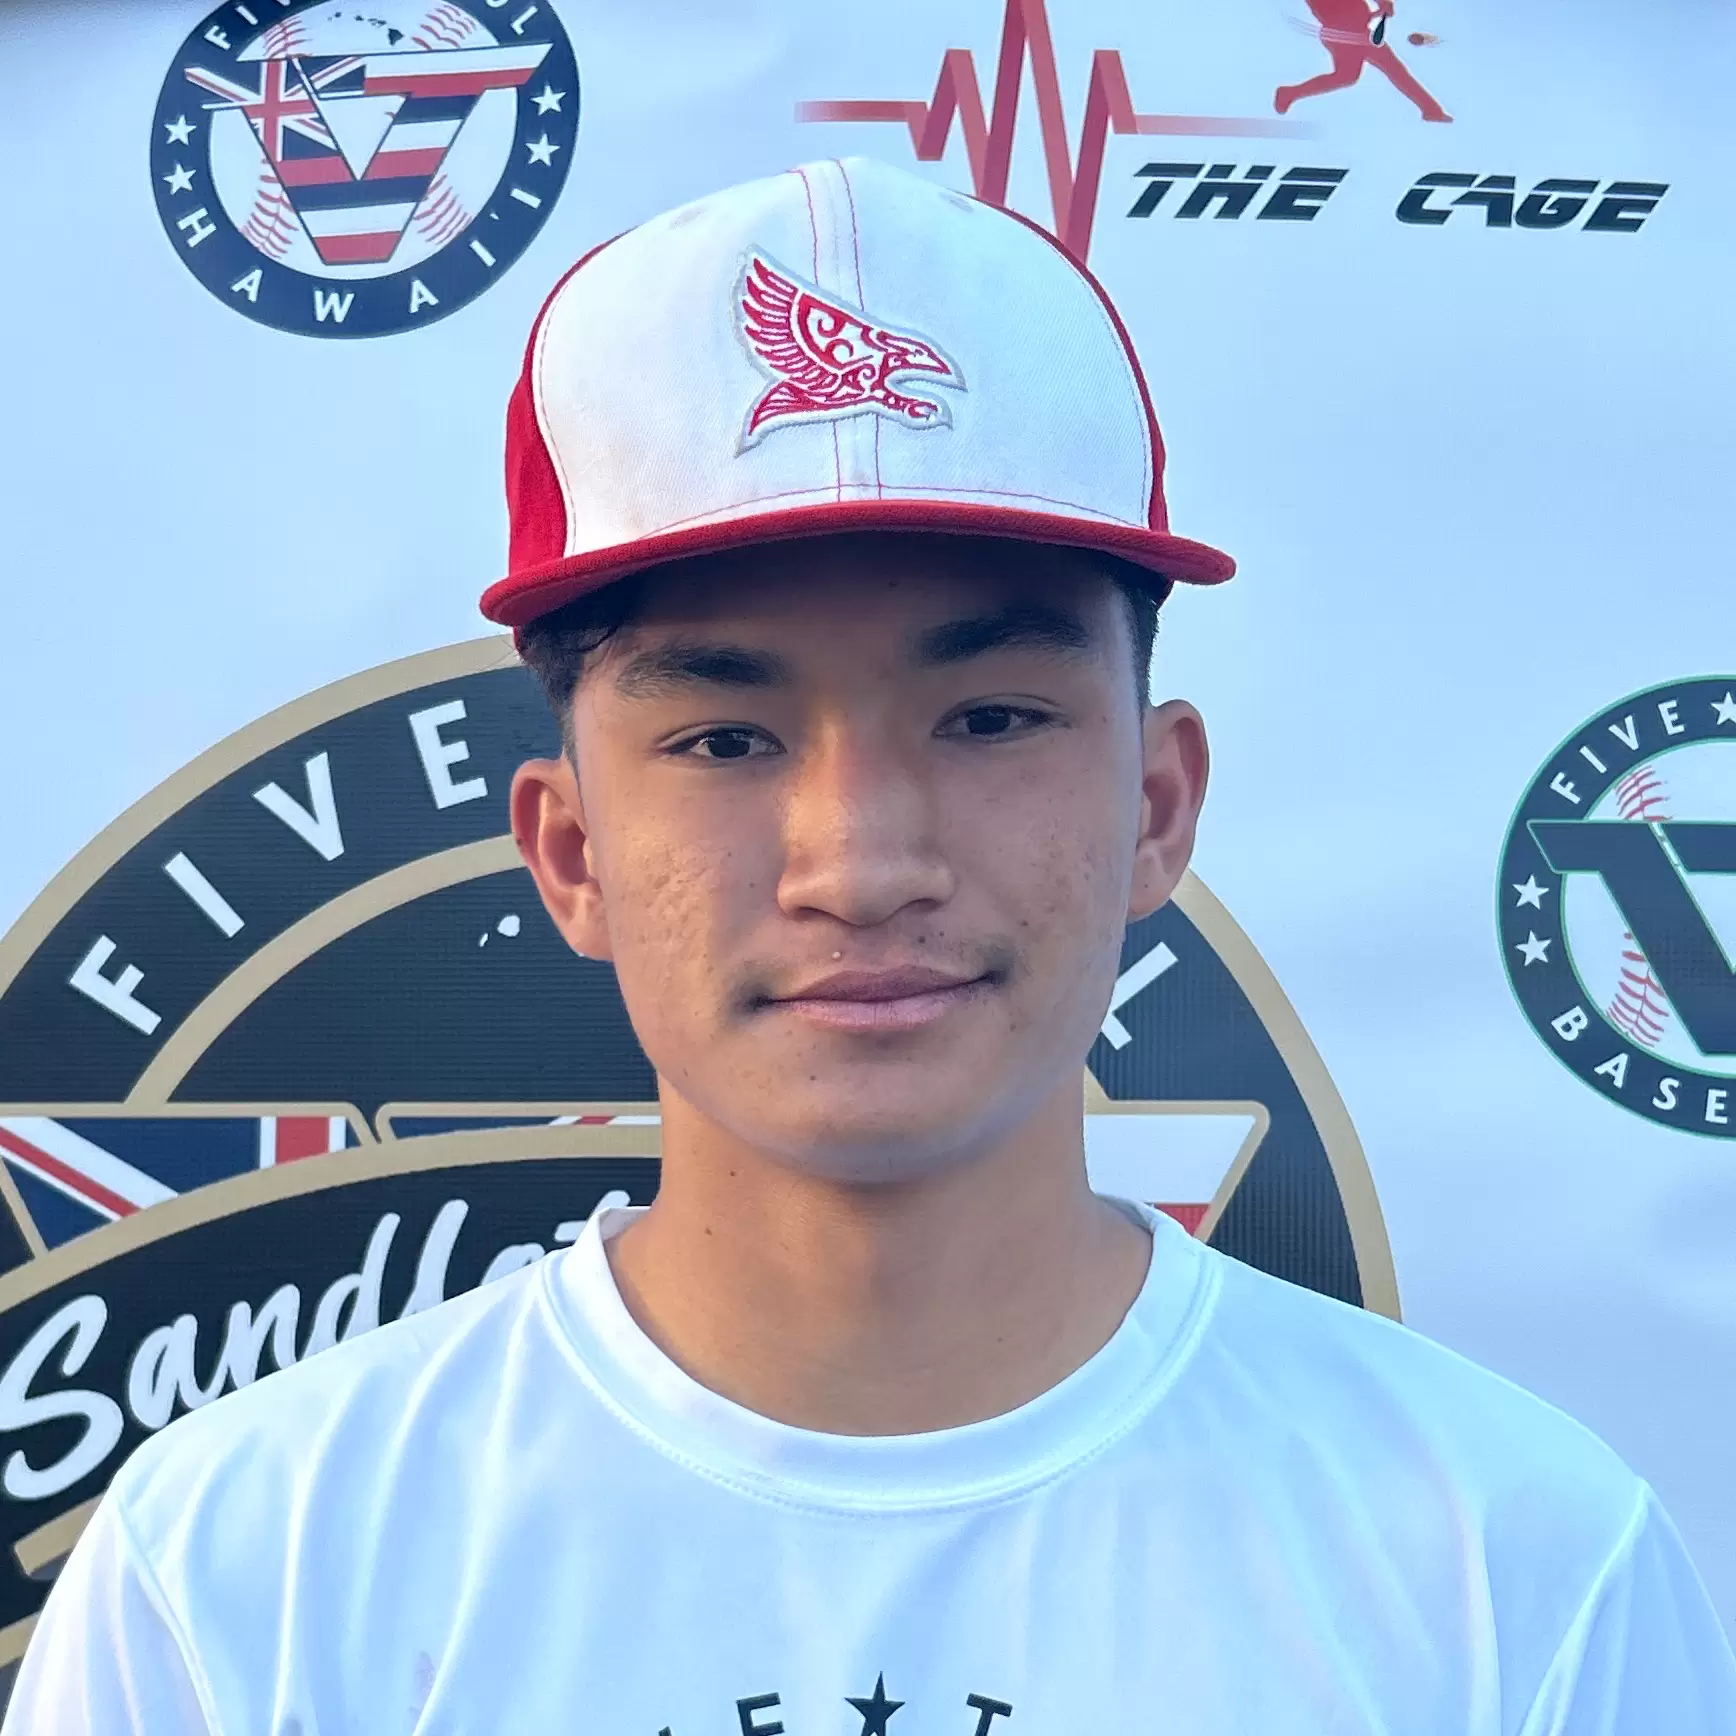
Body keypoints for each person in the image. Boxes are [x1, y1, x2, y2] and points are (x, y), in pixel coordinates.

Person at [7, 156, 1734, 1734]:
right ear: (570, 850)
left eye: (989, 718)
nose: (861, 861)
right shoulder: (242, 1574)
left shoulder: (1513, 1568)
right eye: (725, 738)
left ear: (1155, 805)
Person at [1275, 0, 1452, 121]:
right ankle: (1431, 110)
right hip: (1344, 36)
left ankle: (1431, 110)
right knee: (1381, 72)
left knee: (1380, 72)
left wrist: (1382, 4)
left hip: (1357, 33)